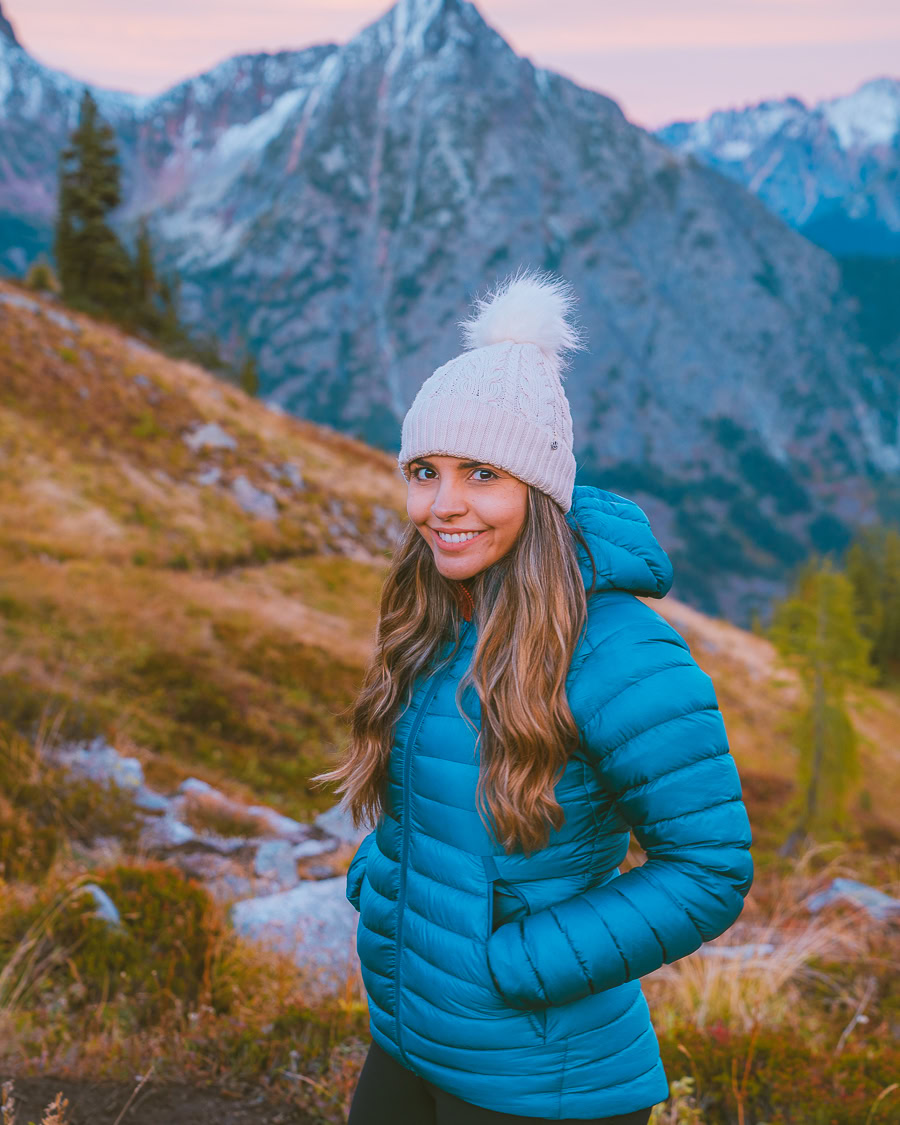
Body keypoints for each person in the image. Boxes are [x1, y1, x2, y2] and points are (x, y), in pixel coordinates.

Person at [312, 268, 754, 1123]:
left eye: (481, 473)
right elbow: (437, 802)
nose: (444, 506)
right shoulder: (441, 610)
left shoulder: (621, 651)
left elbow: (710, 867)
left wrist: (517, 963)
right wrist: (389, 877)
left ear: (539, 489)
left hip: (545, 1079)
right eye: (424, 471)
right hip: (414, 1034)